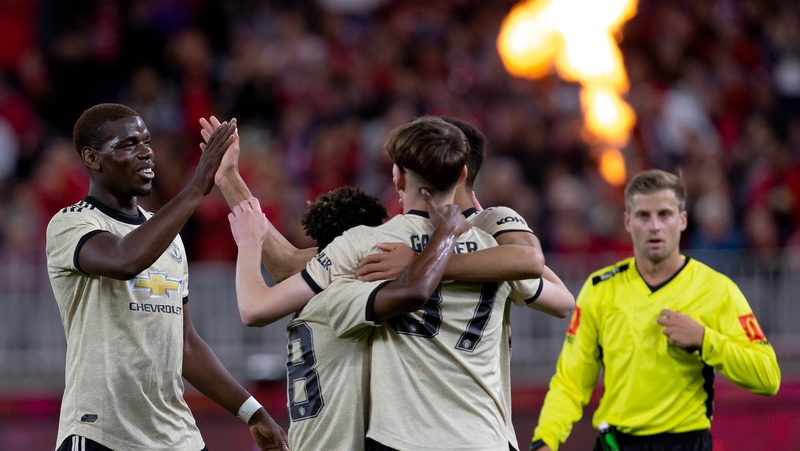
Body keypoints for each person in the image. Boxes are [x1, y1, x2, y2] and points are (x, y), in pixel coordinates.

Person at [45, 103, 288, 451]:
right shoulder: (72, 223)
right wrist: (197, 187)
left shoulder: (168, 237)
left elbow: (185, 344)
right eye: (129, 145)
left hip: (177, 437)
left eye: (146, 141)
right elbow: (124, 259)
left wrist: (253, 411)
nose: (146, 152)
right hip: (103, 434)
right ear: (92, 158)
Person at [356, 116, 575, 451]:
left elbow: (539, 272)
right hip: (479, 434)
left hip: (409, 434)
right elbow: (559, 297)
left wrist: (422, 265)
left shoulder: (485, 223)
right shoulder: (485, 239)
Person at [529, 169, 781, 451]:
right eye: (643, 216)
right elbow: (571, 381)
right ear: (627, 221)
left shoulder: (717, 289)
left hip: (685, 443)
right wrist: (546, 439)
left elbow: (767, 377)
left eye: (664, 214)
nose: (654, 226)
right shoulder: (600, 288)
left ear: (683, 220)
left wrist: (704, 339)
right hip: (617, 443)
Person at [228, 186, 473, 450]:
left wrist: (229, 180)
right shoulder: (345, 297)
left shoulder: (310, 297)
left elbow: (288, 264)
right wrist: (442, 240)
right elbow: (413, 293)